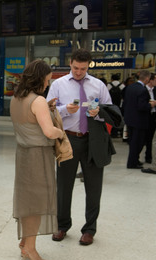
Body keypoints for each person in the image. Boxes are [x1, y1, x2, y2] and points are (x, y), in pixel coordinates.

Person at [46, 48, 115, 246]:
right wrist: (65, 110)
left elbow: (109, 110)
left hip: (93, 140)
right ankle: (62, 225)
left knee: (94, 186)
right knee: (63, 185)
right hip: (68, 139)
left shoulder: (98, 85)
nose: (78, 72)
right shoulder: (58, 85)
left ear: (88, 66)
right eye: (75, 68)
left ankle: (89, 229)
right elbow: (48, 111)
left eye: (82, 69)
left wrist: (98, 113)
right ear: (71, 63)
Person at [10, 60, 63, 260]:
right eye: (47, 80)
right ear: (40, 78)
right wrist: (60, 131)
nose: (48, 84)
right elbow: (49, 132)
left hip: (23, 154)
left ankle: (25, 242)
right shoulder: (37, 100)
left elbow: (29, 123)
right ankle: (31, 249)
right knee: (37, 202)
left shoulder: (16, 98)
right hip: (38, 156)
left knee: (27, 199)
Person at [123, 70, 156, 169]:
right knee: (138, 142)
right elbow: (141, 106)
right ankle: (132, 163)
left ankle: (134, 160)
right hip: (139, 120)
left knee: (133, 141)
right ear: (146, 79)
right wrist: (150, 104)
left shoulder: (130, 87)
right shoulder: (142, 90)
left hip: (130, 119)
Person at [144, 73, 156, 164]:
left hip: (154, 115)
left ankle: (150, 156)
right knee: (147, 137)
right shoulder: (143, 90)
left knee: (151, 138)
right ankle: (147, 156)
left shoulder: (155, 90)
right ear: (150, 80)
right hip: (146, 116)